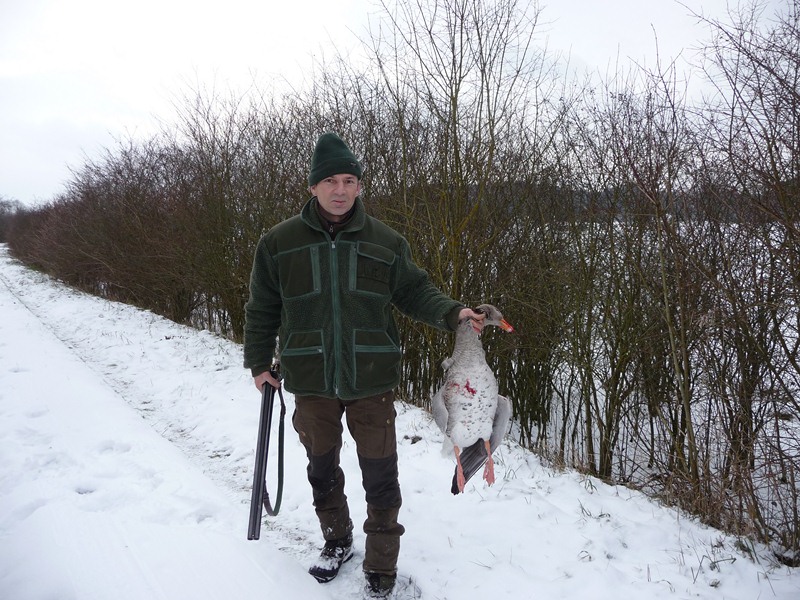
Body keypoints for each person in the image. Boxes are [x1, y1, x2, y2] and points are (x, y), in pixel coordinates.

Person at [243, 132, 485, 599]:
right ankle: (337, 540)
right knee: (321, 470)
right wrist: (258, 362)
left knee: (380, 474)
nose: (340, 190)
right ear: (313, 186)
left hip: (371, 379)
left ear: (359, 186)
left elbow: (415, 291)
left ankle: (381, 563)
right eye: (330, 181)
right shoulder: (278, 243)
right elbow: (262, 308)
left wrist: (454, 312)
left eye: (349, 181)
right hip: (310, 378)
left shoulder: (385, 242)